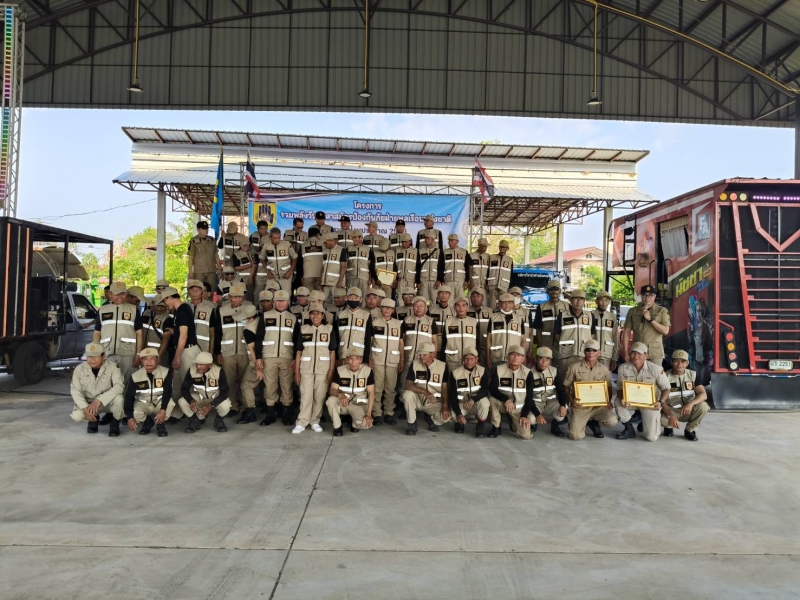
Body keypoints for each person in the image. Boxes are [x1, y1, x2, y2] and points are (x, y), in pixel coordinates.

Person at [212, 284, 256, 420]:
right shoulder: (221, 311)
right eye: (234, 297)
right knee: (229, 381)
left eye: (239, 297)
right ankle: (232, 406)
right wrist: (218, 352)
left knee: (244, 381)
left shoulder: (249, 309)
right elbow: (218, 333)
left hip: (245, 352)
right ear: (229, 297)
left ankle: (245, 407)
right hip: (227, 352)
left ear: (243, 297)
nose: (236, 299)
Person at [293, 301, 337, 434]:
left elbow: (332, 352)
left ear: (323, 316)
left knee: (319, 395)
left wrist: (331, 370)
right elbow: (299, 351)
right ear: (309, 315)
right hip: (306, 368)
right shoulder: (303, 329)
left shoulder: (329, 329)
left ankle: (315, 421)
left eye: (318, 313)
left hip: (323, 369)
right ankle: (301, 422)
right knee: (305, 395)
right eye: (312, 313)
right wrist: (297, 371)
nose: (315, 316)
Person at [615, 342, 671, 442]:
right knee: (618, 401)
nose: (636, 356)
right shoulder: (623, 368)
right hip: (631, 401)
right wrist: (622, 398)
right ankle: (629, 428)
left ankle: (646, 422)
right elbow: (619, 388)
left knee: (651, 437)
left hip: (650, 404)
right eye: (633, 353)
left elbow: (666, 388)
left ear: (646, 356)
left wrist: (660, 402)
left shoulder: (656, 369)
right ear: (630, 354)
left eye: (639, 354)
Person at [562, 340, 618, 441]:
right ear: (584, 352)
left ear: (599, 353)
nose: (591, 352)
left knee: (612, 421)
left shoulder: (604, 369)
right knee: (575, 436)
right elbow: (566, 386)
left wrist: (608, 401)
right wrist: (571, 400)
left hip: (598, 406)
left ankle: (593, 422)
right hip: (581, 406)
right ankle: (578, 422)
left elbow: (609, 388)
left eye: (594, 350)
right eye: (588, 350)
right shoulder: (574, 367)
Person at [258, 289, 298, 426]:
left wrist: (295, 358)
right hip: (268, 356)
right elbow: (259, 337)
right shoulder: (265, 316)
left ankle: (286, 413)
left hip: (287, 357)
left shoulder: (293, 318)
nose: (281, 303)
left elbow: (297, 340)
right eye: (278, 301)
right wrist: (258, 357)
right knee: (269, 385)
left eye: (283, 301)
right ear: (274, 302)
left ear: (288, 302)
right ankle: (270, 414)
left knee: (286, 385)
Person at [488, 345, 545, 439]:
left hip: (518, 408)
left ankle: (513, 422)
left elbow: (529, 398)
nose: (515, 357)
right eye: (513, 354)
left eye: (518, 355)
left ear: (523, 359)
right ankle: (496, 427)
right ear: (508, 357)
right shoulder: (499, 369)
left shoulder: (528, 373)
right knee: (491, 400)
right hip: (503, 403)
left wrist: (524, 415)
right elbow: (492, 389)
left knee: (526, 436)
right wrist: (506, 399)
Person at [69, 342, 125, 437]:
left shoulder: (113, 367)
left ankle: (115, 424)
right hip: (89, 403)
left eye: (95, 356)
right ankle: (93, 420)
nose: (91, 360)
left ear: (104, 356)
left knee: (119, 399)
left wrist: (100, 399)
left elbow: (119, 386)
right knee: (77, 416)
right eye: (89, 356)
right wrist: (85, 408)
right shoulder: (79, 369)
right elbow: (75, 391)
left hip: (106, 402)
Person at [92, 281, 143, 380]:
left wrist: (138, 354)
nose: (120, 297)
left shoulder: (133, 309)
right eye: (116, 294)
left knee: (128, 381)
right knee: (108, 381)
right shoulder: (102, 310)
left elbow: (139, 333)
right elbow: (97, 332)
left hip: (128, 354)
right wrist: (96, 352)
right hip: (107, 353)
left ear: (127, 294)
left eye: (123, 294)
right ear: (110, 294)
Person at [159, 287, 202, 402]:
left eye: (164, 300)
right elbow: (182, 331)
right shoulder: (179, 311)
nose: (165, 304)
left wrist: (177, 357)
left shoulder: (183, 310)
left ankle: (193, 410)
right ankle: (175, 408)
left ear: (170, 298)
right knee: (177, 383)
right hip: (182, 349)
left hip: (187, 351)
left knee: (188, 383)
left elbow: (184, 336)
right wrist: (174, 331)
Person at [124, 347, 177, 437]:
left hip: (159, 402)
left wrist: (163, 409)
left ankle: (160, 424)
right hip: (143, 403)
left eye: (152, 358)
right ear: (141, 361)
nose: (149, 362)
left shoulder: (165, 372)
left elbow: (167, 392)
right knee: (135, 413)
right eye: (145, 359)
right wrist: (129, 418)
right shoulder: (135, 376)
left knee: (170, 403)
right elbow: (129, 397)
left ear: (157, 359)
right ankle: (148, 422)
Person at [403, 342, 452, 435]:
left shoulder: (442, 366)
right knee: (407, 394)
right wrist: (424, 391)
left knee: (447, 418)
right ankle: (411, 424)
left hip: (433, 402)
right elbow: (408, 385)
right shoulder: (415, 364)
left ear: (432, 354)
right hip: (418, 399)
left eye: (424, 354)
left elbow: (445, 389)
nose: (421, 357)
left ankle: (430, 419)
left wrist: (445, 406)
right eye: (420, 354)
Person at [326, 347, 375, 436]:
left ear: (361, 360)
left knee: (366, 424)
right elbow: (332, 390)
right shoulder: (340, 370)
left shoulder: (367, 371)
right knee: (330, 401)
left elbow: (371, 393)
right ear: (347, 360)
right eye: (351, 359)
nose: (353, 362)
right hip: (343, 402)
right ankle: (337, 427)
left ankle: (354, 423)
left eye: (357, 359)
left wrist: (368, 414)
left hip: (359, 404)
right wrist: (340, 394)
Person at [662, 349, 710, 441]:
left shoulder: (692, 375)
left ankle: (690, 430)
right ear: (671, 362)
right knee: (661, 419)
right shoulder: (665, 376)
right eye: (676, 361)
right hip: (671, 410)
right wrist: (670, 416)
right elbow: (661, 401)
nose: (680, 364)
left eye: (683, 361)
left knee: (703, 406)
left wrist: (690, 404)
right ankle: (668, 427)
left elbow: (703, 394)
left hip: (688, 410)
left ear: (687, 363)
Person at [369, 298, 404, 425]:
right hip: (377, 360)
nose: (387, 310)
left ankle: (389, 413)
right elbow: (370, 342)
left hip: (393, 361)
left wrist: (402, 359)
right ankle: (377, 413)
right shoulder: (374, 322)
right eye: (384, 307)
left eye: (390, 308)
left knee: (390, 388)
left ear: (393, 310)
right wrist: (370, 359)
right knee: (377, 388)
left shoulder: (398, 324)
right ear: (380, 309)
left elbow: (401, 343)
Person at [179, 351, 231, 434]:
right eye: (197, 364)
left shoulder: (219, 371)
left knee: (226, 404)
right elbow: (184, 389)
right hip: (199, 398)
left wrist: (211, 405)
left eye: (201, 364)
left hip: (214, 398)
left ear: (210, 365)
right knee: (182, 401)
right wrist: (191, 400)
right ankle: (194, 420)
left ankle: (219, 420)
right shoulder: (192, 370)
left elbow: (225, 392)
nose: (198, 367)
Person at [622, 285, 671, 366]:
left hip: (654, 353)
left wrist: (650, 319)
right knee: (635, 373)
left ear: (655, 296)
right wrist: (626, 351)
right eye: (645, 295)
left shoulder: (662, 311)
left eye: (651, 295)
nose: (647, 298)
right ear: (641, 296)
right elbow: (627, 331)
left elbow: (665, 331)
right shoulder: (633, 311)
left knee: (654, 373)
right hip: (637, 351)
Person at [448, 346, 490, 437]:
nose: (469, 361)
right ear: (463, 359)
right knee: (453, 415)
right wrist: (458, 413)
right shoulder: (455, 373)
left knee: (485, 403)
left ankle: (480, 425)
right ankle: (459, 423)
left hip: (476, 403)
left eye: (472, 359)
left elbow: (485, 390)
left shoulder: (482, 371)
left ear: (476, 360)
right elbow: (452, 395)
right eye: (466, 359)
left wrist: (473, 399)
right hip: (462, 404)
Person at [526, 347, 567, 437]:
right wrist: (537, 414)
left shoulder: (554, 371)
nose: (544, 362)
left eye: (547, 359)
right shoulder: (529, 373)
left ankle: (555, 425)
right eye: (541, 358)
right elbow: (528, 397)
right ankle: (534, 423)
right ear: (536, 359)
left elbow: (561, 390)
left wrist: (563, 405)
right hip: (536, 404)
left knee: (563, 410)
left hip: (551, 403)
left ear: (550, 361)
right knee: (531, 419)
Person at [553, 289, 595, 373]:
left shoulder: (590, 316)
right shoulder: (562, 315)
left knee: (582, 378)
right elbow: (557, 335)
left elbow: (592, 334)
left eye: (581, 299)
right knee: (565, 378)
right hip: (566, 355)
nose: (578, 302)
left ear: (584, 301)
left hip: (584, 354)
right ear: (571, 300)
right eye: (576, 299)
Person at [400, 296, 437, 387]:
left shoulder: (431, 321)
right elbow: (402, 340)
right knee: (405, 380)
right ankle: (403, 395)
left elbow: (435, 341)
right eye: (416, 306)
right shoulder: (406, 320)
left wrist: (433, 356)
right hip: (409, 356)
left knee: (421, 380)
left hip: (424, 358)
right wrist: (402, 358)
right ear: (413, 307)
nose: (418, 308)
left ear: (426, 308)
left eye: (421, 306)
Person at [486, 293, 527, 370]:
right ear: (500, 303)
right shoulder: (493, 318)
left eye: (509, 302)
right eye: (504, 302)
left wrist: (523, 357)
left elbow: (523, 340)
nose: (507, 305)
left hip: (514, 358)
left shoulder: (519, 319)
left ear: (513, 304)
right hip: (497, 357)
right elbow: (489, 339)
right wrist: (488, 357)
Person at [334, 287, 373, 364]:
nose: (353, 300)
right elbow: (336, 337)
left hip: (359, 357)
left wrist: (366, 358)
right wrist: (336, 357)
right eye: (351, 297)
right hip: (343, 355)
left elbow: (368, 339)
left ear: (361, 299)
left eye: (356, 297)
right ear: (346, 298)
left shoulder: (366, 315)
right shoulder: (340, 315)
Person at [441, 296, 478, 373]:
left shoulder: (474, 322)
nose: (461, 308)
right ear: (454, 308)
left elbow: (478, 342)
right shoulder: (448, 322)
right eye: (458, 305)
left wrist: (478, 359)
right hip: (452, 361)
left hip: (469, 361)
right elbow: (444, 342)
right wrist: (443, 360)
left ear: (467, 308)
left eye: (463, 305)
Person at [533, 280, 571, 354]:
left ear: (560, 291)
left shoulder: (567, 306)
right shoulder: (541, 307)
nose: (554, 291)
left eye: (556, 289)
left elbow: (570, 327)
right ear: (547, 291)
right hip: (546, 345)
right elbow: (538, 329)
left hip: (562, 345)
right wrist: (540, 346)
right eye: (551, 289)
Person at [260, 227, 298, 294]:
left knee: (286, 295)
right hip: (272, 275)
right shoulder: (266, 245)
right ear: (270, 237)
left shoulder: (287, 244)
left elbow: (294, 258)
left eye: (279, 237)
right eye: (275, 238)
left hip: (285, 275)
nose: (277, 240)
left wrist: (290, 272)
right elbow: (262, 258)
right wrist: (268, 272)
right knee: (269, 295)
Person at [345, 230, 378, 298]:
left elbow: (371, 266)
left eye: (355, 237)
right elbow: (345, 265)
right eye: (353, 237)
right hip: (351, 278)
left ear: (360, 238)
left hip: (364, 278)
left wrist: (370, 279)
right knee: (351, 297)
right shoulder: (348, 249)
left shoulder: (368, 249)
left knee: (363, 298)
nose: (353, 239)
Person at [187, 279, 216, 354]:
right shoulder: (184, 307)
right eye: (192, 290)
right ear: (188, 292)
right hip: (186, 349)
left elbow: (212, 333)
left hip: (203, 348)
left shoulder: (209, 309)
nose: (194, 292)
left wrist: (211, 352)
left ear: (202, 292)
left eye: (197, 290)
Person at [141, 298, 173, 366]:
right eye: (158, 306)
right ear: (153, 305)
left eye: (163, 306)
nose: (160, 309)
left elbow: (166, 338)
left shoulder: (167, 319)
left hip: (157, 353)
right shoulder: (146, 313)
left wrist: (159, 356)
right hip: (144, 352)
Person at [593, 290, 619, 370]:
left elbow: (616, 338)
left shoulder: (612, 317)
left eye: (606, 300)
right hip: (591, 353)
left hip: (607, 355)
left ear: (609, 302)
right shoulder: (590, 315)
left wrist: (615, 357)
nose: (604, 303)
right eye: (601, 300)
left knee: (605, 376)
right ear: (596, 301)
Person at [188, 220, 218, 290]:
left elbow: (216, 254)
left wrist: (219, 268)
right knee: (199, 290)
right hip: (199, 271)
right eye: (203, 229)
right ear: (198, 229)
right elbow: (191, 257)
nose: (206, 230)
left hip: (211, 270)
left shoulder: (212, 240)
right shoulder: (193, 240)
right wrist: (190, 272)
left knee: (211, 290)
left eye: (207, 228)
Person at [416, 230, 443, 306]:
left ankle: (434, 314)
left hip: (434, 281)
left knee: (434, 301)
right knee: (422, 300)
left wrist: (439, 280)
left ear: (433, 240)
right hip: (423, 280)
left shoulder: (439, 252)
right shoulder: (420, 251)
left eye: (428, 238)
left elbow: (441, 267)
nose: (426, 240)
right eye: (425, 238)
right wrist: (418, 281)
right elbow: (417, 267)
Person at [320, 231, 348, 304]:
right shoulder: (324, 251)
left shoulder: (341, 250)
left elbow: (343, 267)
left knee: (336, 303)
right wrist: (321, 281)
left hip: (336, 284)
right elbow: (323, 266)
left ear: (332, 241)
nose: (324, 244)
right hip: (325, 283)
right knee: (325, 303)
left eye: (325, 242)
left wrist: (340, 281)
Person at [486, 240, 513, 308]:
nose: (502, 248)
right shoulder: (492, 257)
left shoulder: (510, 260)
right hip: (492, 285)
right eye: (501, 247)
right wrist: (486, 283)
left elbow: (511, 274)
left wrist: (510, 286)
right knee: (491, 306)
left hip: (503, 286)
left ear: (507, 248)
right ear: (499, 247)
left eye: (504, 247)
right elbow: (487, 271)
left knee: (503, 305)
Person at [467, 287, 492, 359]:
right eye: (473, 296)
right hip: (470, 349)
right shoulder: (466, 311)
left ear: (483, 298)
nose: (475, 298)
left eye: (478, 296)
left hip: (486, 348)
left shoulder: (490, 312)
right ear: (470, 298)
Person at [299, 227, 324, 291]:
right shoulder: (323, 244)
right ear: (317, 234)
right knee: (319, 294)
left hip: (307, 274)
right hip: (320, 274)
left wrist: (301, 276)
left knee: (309, 294)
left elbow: (300, 262)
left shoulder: (303, 245)